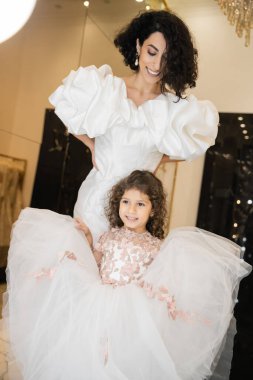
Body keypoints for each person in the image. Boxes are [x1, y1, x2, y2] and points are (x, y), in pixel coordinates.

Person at [3, 170, 251, 380]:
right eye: (125, 202)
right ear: (117, 204)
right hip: (96, 305)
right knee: (87, 357)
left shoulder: (157, 246)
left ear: (153, 210)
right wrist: (88, 241)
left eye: (140, 204)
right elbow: (94, 264)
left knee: (126, 360)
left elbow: (159, 279)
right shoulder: (108, 236)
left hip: (132, 312)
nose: (131, 210)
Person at [48, 9, 219, 244]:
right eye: (152, 52)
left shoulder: (175, 109)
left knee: (123, 274)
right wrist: (92, 145)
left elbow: (196, 144)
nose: (157, 64)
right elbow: (66, 106)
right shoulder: (107, 89)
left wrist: (159, 159)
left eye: (167, 57)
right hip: (95, 202)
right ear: (138, 46)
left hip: (135, 213)